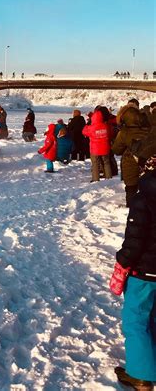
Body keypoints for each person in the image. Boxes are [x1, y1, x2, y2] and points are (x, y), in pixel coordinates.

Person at [111, 155, 156, 389]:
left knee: (136, 321)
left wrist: (123, 261)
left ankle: (141, 376)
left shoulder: (144, 197)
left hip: (145, 273)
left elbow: (135, 240)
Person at [112, 106, 150, 207]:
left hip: (130, 163)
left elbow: (116, 150)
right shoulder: (149, 128)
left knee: (131, 189)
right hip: (148, 163)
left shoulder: (124, 132)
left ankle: (132, 212)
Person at [82, 110, 112, 182]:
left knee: (95, 164)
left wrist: (88, 124)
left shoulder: (91, 127)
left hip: (95, 149)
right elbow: (110, 133)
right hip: (105, 147)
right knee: (106, 163)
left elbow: (84, 132)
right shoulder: (105, 126)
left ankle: (95, 179)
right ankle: (109, 178)